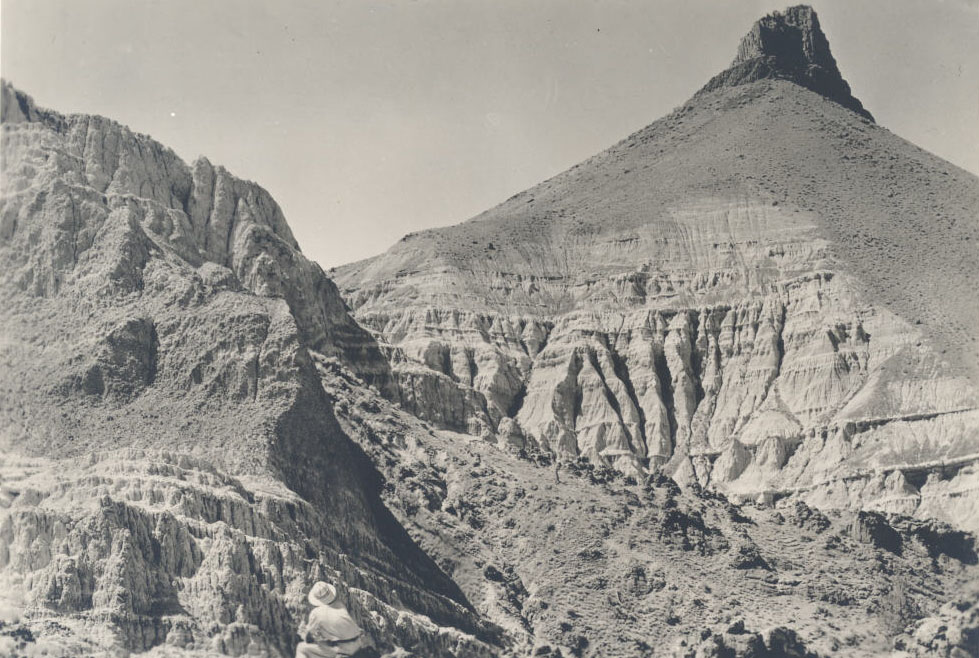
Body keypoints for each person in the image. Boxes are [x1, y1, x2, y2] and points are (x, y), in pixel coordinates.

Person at [296, 581, 376, 658]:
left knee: (301, 648)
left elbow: (309, 637)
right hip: (357, 644)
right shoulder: (340, 604)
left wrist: (303, 632)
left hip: (343, 650)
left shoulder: (316, 613)